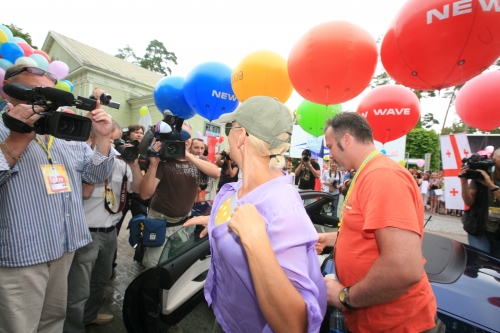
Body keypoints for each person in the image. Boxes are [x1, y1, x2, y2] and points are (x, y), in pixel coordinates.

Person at [184, 96, 326, 333]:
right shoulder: (241, 186)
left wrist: (256, 241)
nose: (227, 133)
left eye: (231, 126)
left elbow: (294, 326)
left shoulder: (283, 210)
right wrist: (216, 221)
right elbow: (240, 216)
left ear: (241, 137)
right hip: (227, 315)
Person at [0, 65, 116, 332]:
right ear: (10, 93)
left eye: (48, 94)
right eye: (33, 92)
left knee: (53, 321)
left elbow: (97, 173)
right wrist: (18, 138)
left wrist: (102, 138)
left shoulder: (65, 134)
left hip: (64, 248)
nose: (43, 101)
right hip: (21, 255)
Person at [316, 112, 441, 333]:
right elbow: (366, 233)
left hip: (397, 324)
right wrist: (328, 239)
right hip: (374, 321)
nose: (329, 154)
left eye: (330, 146)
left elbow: (403, 268)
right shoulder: (368, 173)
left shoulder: (382, 176)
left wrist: (344, 296)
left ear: (346, 140)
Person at [64, 121, 144, 332]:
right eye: (108, 138)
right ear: (94, 137)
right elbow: (85, 192)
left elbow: (139, 189)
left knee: (100, 282)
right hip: (86, 234)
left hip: (110, 234)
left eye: (115, 139)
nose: (114, 144)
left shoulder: (122, 163)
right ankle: (73, 327)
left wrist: (134, 165)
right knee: (78, 289)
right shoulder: (82, 159)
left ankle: (89, 316)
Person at [139, 121, 219, 269]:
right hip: (161, 224)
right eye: (179, 136)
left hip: (184, 225)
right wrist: (153, 165)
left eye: (186, 136)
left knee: (176, 267)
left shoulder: (197, 160)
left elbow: (216, 173)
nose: (183, 140)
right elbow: (145, 194)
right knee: (153, 268)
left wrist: (187, 155)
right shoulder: (163, 162)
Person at [459, 149, 500, 258]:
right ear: (494, 160)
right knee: (481, 263)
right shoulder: (481, 175)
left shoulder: (487, 179)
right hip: (479, 229)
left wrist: (491, 185)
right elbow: (469, 201)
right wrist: (463, 182)